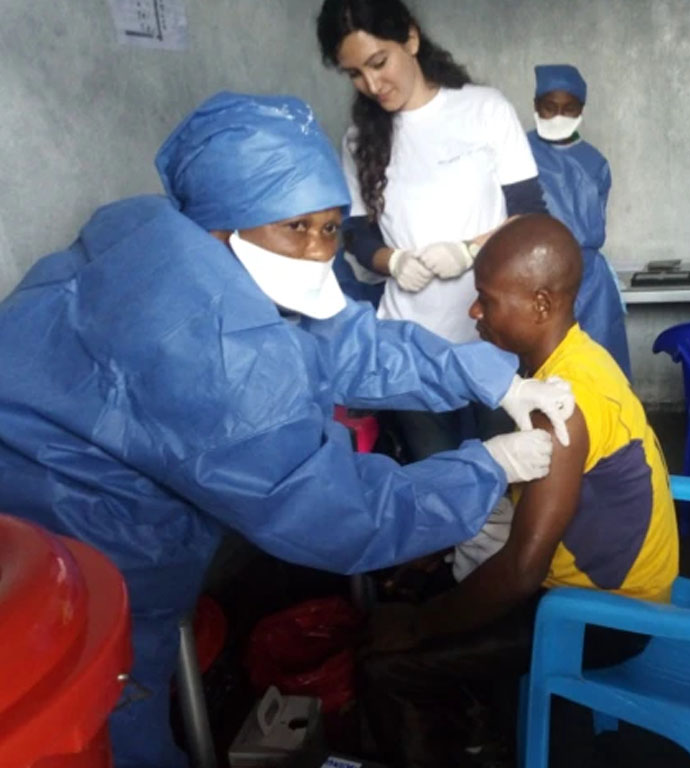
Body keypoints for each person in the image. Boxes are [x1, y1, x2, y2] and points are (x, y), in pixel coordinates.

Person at [0, 92, 577, 768]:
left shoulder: (158, 229)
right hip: (62, 538)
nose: (317, 250)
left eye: (332, 228)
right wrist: (487, 467)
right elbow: (333, 510)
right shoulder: (216, 348)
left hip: (59, 483)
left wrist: (490, 377)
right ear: (223, 226)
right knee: (93, 719)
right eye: (297, 227)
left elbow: (347, 344)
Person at [358, 214, 679, 768]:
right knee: (426, 590)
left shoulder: (564, 404)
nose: (474, 312)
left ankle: (464, 739)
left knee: (386, 664)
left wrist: (416, 626)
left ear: (540, 304)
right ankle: (482, 720)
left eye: (486, 298)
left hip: (605, 617)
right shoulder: (582, 355)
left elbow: (521, 573)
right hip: (599, 587)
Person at [317, 0, 549, 460]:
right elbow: (358, 234)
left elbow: (530, 216)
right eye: (355, 74)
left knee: (508, 469)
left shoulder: (484, 111)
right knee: (435, 474)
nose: (372, 84)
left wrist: (469, 251)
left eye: (378, 63)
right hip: (409, 343)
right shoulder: (360, 139)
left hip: (491, 334)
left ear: (411, 38)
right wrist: (394, 261)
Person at [527, 64, 631, 378]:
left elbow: (592, 224)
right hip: (535, 276)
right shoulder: (517, 153)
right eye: (549, 107)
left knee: (597, 373)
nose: (558, 116)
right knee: (541, 373)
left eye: (568, 109)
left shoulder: (595, 162)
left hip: (590, 282)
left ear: (581, 111)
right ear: (536, 106)